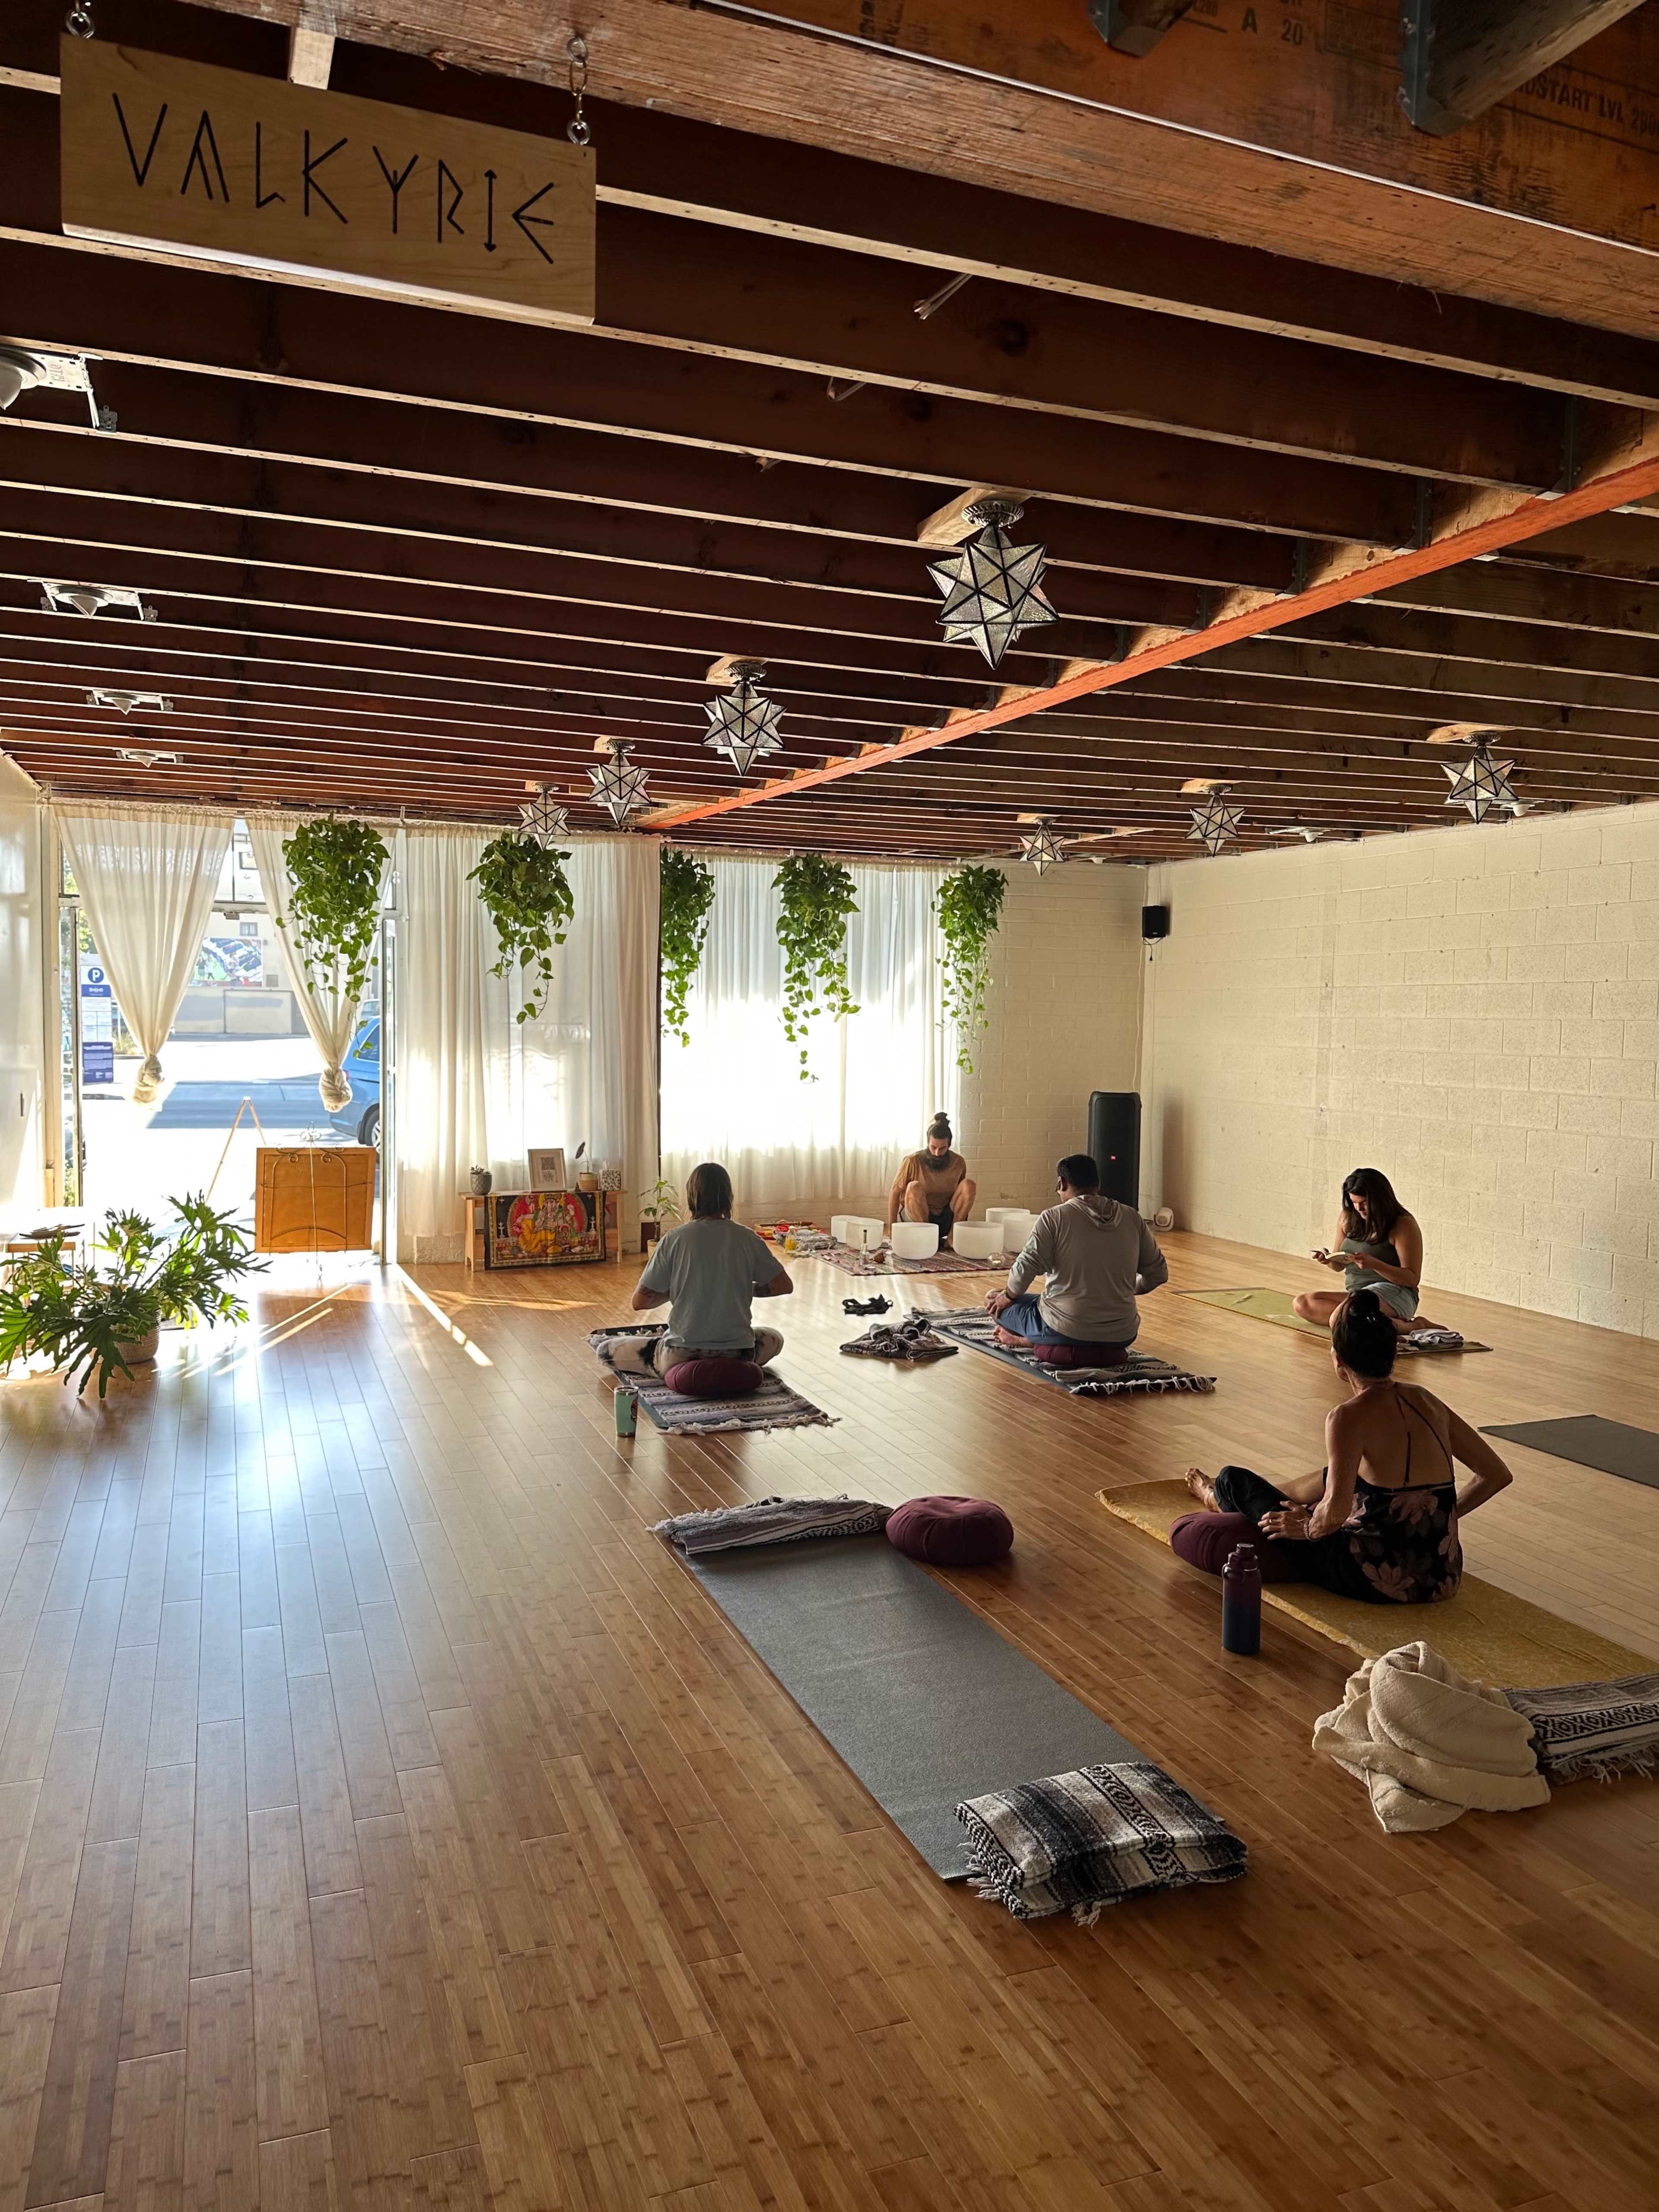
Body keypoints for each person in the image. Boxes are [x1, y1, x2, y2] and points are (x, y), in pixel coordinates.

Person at [1173, 1288, 1513, 1604]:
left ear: (1338, 1361)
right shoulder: (1427, 1400)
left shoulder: (1346, 1417)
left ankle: (1215, 1497)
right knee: (1353, 1478)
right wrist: (1443, 1518)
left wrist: (1306, 1528)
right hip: (1442, 1575)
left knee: (1233, 1479)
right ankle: (1244, 1498)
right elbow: (1496, 1475)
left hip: (1373, 1577)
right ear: (1394, 1352)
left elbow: (1334, 1515)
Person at [985, 1154, 1168, 1357]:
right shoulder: (1132, 1217)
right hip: (1122, 1333)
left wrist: (1006, 1298)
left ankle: (1028, 1342)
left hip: (1064, 1329)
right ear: (1098, 1184)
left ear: (1061, 1183)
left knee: (994, 1301)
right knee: (1036, 1302)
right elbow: (1159, 1274)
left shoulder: (1054, 1218)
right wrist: (1129, 1289)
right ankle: (1055, 1344)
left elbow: (1022, 1273)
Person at [629, 1162, 792, 1368]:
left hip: (680, 1355)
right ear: (728, 1198)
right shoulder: (748, 1238)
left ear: (691, 1198)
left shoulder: (674, 1239)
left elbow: (640, 1302)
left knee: (606, 1350)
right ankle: (733, 1373)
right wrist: (745, 1289)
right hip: (739, 1354)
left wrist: (677, 1292)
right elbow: (785, 1286)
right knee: (774, 1338)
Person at [1294, 1166, 1436, 1336]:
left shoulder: (1403, 1224)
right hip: (1358, 1295)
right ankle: (1378, 1323)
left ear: (1380, 1200)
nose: (1359, 1209)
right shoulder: (1348, 1218)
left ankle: (1415, 1326)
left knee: (1339, 1319)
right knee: (1303, 1303)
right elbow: (1339, 1266)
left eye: (1364, 1203)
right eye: (1354, 1203)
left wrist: (1376, 1265)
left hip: (1396, 1292)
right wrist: (1329, 1260)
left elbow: (1412, 1279)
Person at [888, 1115, 976, 1249]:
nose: (936, 1153)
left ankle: (952, 1237)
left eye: (942, 1149)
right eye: (933, 1147)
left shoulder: (958, 1162)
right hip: (918, 1218)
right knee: (914, 1186)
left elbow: (963, 1198)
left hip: (945, 1218)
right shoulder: (912, 1161)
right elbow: (895, 1194)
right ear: (928, 1142)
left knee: (969, 1185)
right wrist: (891, 1229)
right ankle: (926, 1238)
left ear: (949, 1145)